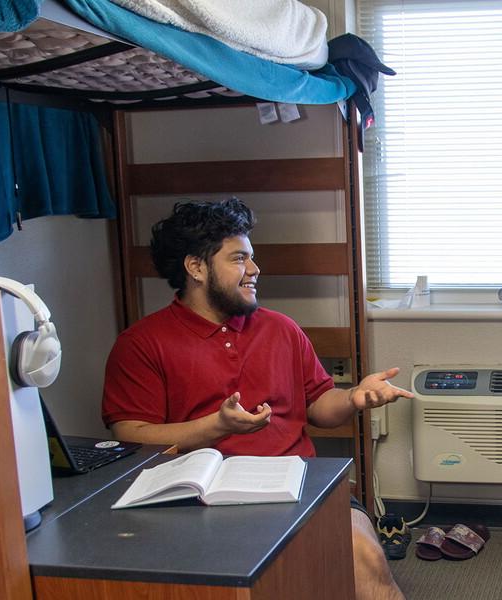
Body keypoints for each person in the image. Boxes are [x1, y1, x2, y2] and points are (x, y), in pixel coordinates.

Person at [102, 198, 411, 600]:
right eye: (239, 259)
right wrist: (215, 426)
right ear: (196, 267)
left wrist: (354, 397)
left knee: (365, 557)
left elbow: (319, 405)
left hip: (296, 483)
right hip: (196, 502)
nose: (254, 270)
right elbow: (129, 433)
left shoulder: (282, 329)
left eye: (252, 258)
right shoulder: (141, 344)